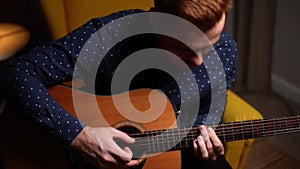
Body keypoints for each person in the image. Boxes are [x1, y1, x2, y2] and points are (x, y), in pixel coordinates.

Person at [0, 0, 237, 168]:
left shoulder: (225, 53)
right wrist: (80, 136)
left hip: (171, 153)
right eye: (184, 49)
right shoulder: (113, 35)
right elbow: (16, 74)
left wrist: (206, 143)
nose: (198, 61)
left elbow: (204, 117)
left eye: (208, 48)